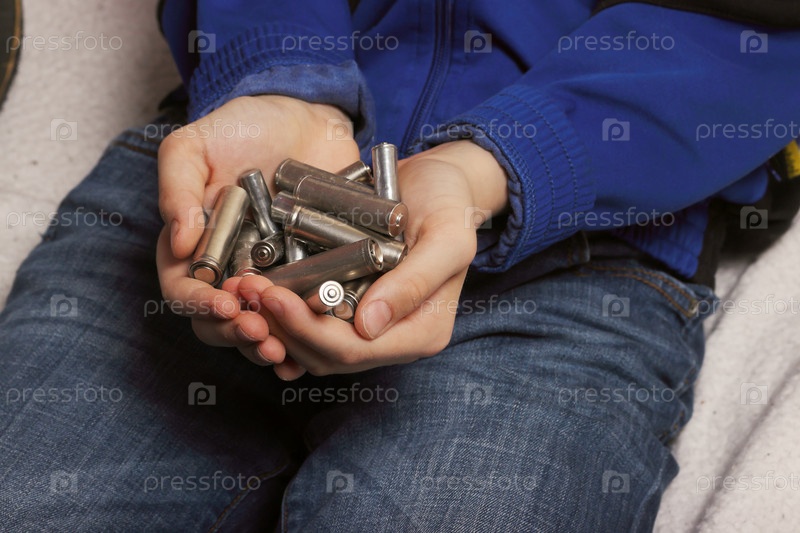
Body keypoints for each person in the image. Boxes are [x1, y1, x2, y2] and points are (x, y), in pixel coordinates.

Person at [2, 0, 800, 530]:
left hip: (588, 246)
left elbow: (758, 38)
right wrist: (276, 76)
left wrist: (501, 163)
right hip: (230, 176)